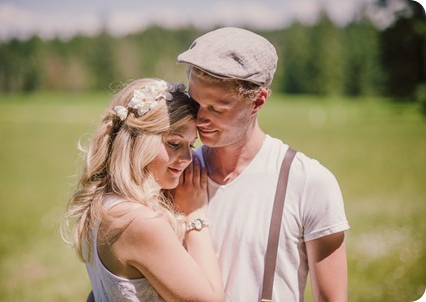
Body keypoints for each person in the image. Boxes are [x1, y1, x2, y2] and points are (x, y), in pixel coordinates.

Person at [176, 27, 350, 301]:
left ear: (258, 101)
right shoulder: (176, 172)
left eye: (218, 109)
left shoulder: (309, 181)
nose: (200, 119)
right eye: (195, 103)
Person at [62, 78, 224, 302]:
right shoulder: (140, 222)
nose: (188, 158)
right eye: (174, 143)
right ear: (139, 142)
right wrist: (195, 215)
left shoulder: (105, 203)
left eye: (191, 145)